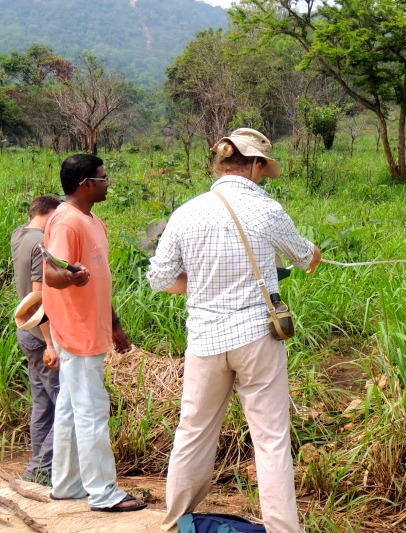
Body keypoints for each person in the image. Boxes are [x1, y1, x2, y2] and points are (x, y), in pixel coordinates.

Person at [147, 128, 321, 532]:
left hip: (205, 340)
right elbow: (303, 256)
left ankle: (176, 524)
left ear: (222, 164)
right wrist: (314, 254)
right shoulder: (267, 210)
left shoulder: (187, 212)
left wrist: (205, 283)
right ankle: (282, 529)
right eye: (263, 168)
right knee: (271, 439)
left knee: (192, 431)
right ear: (256, 165)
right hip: (256, 337)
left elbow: (160, 278)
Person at [42, 154, 146, 512]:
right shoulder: (66, 223)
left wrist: (114, 324)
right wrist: (70, 276)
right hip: (77, 332)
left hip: (91, 328)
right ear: (86, 184)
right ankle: (104, 493)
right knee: (92, 412)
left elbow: (99, 281)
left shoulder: (91, 221)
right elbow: (50, 274)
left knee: (72, 410)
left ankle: (68, 485)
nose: (107, 183)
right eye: (103, 178)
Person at [11, 195, 62, 486]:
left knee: (42, 404)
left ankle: (40, 472)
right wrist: (51, 343)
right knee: (65, 405)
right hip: (41, 334)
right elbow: (38, 298)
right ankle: (39, 470)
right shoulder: (42, 242)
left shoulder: (19, 234)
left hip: (25, 331)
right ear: (50, 214)